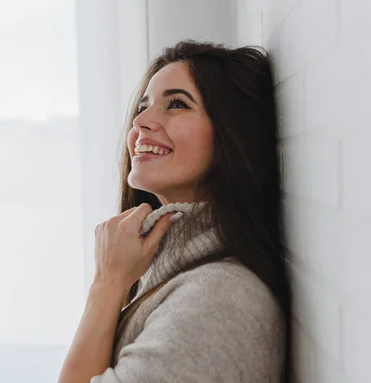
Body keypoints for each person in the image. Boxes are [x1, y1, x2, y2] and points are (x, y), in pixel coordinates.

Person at [58, 40, 291, 383]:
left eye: (177, 104)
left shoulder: (221, 299)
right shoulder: (181, 279)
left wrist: (107, 284)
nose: (140, 121)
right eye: (143, 106)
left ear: (231, 135)